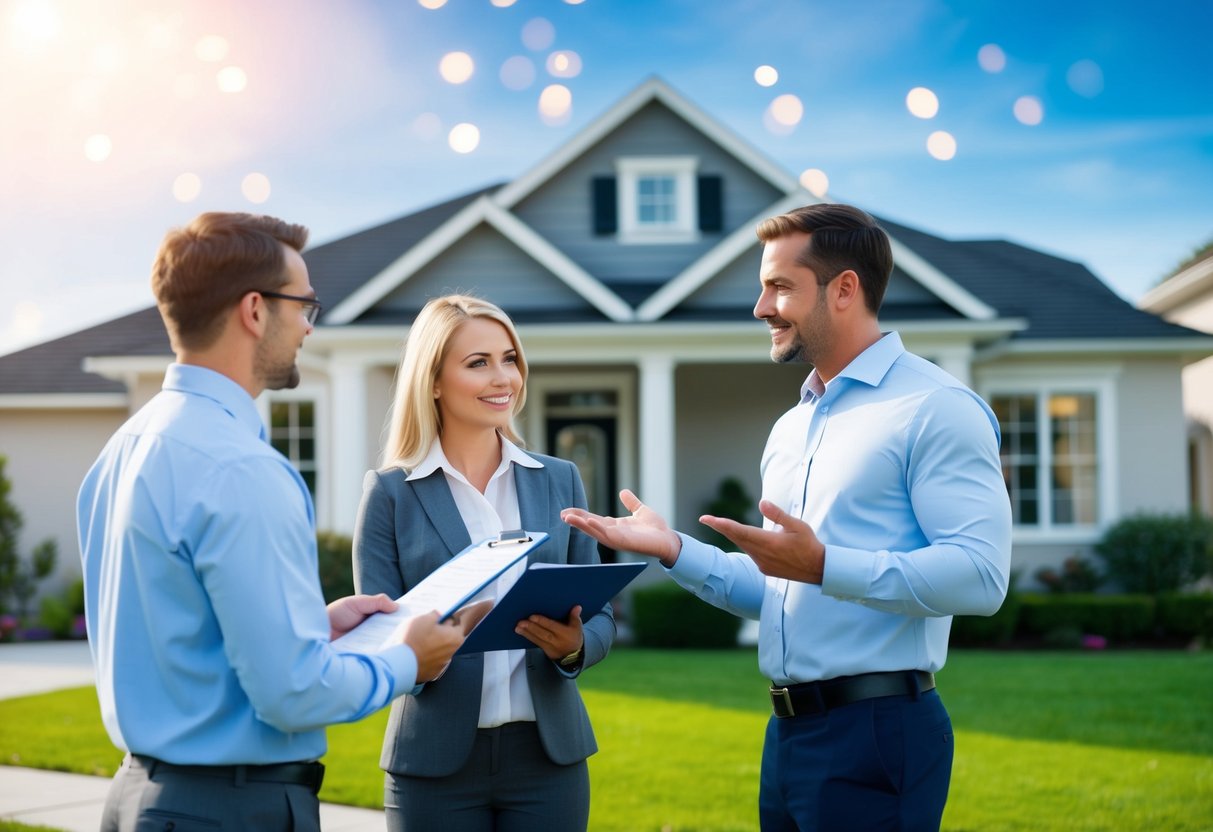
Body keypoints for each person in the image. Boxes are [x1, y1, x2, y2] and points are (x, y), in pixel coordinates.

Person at [562, 203, 1012, 831]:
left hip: (880, 733)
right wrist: (671, 549)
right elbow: (783, 592)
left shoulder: (936, 408)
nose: (760, 307)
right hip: (789, 737)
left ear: (845, 289)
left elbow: (981, 578)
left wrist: (825, 565)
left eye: (780, 287)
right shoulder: (792, 427)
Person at [76, 212, 466, 832]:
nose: (310, 328)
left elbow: (180, 630)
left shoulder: (123, 450)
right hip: (230, 809)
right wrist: (407, 661)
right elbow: (293, 692)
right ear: (255, 310)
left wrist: (316, 625)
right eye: (305, 306)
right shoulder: (242, 469)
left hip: (139, 799)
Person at [353, 294, 616, 832]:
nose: (504, 378)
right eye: (478, 363)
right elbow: (374, 635)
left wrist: (576, 647)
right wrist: (426, 652)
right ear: (432, 380)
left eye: (509, 359)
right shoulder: (390, 494)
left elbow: (602, 616)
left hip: (548, 760)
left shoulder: (559, 478)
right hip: (432, 762)